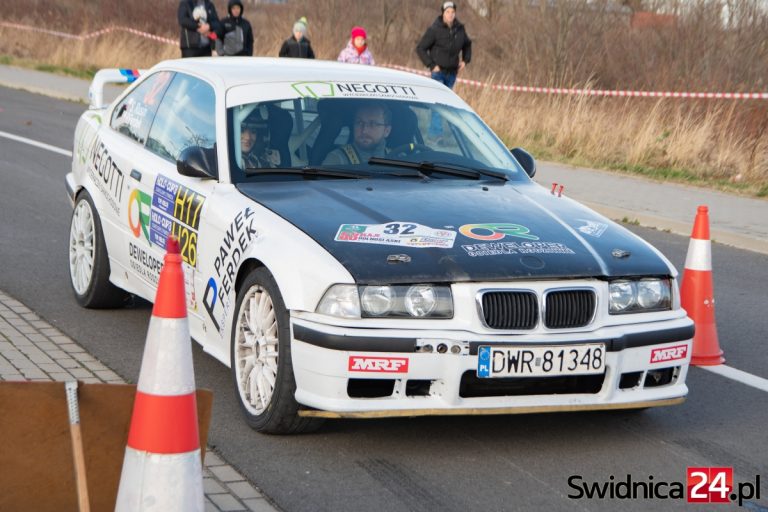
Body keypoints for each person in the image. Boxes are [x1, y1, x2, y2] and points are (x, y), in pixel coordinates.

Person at [416, 1, 472, 90]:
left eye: (453, 12)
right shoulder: (434, 29)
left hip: (452, 73)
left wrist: (465, 60)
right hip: (438, 73)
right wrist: (431, 65)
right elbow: (420, 48)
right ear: (443, 13)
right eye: (448, 12)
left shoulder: (460, 29)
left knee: (446, 102)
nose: (450, 14)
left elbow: (467, 44)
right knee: (437, 99)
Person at [323, 104, 392, 165]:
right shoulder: (337, 159)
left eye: (372, 124)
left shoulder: (397, 159)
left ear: (387, 131)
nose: (364, 130)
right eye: (359, 123)